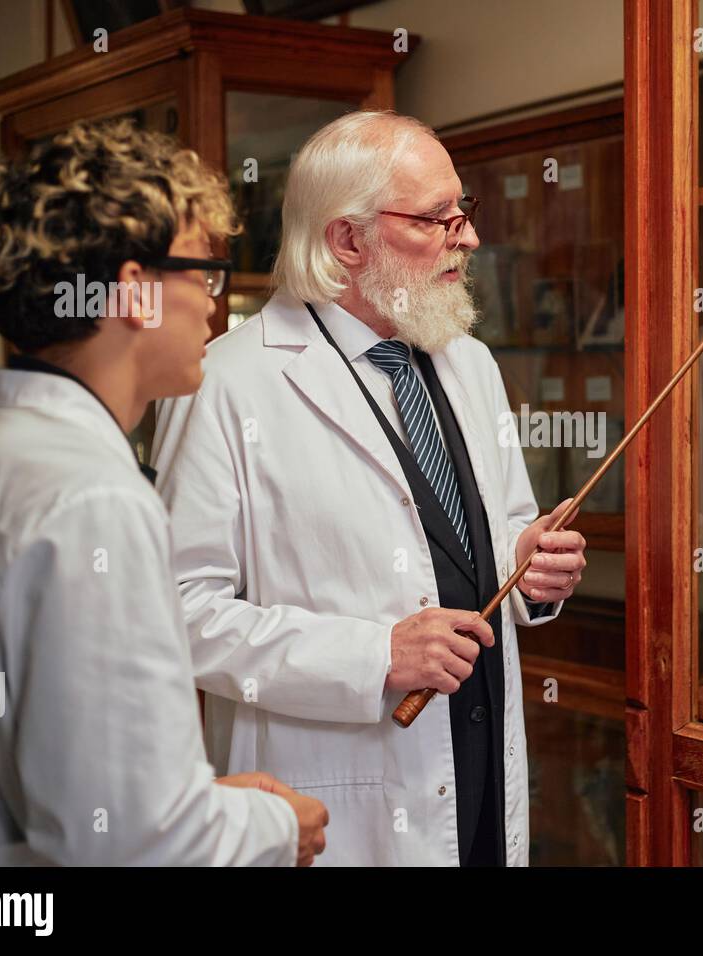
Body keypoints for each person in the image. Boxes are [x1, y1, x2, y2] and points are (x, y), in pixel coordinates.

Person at [151, 110, 588, 866]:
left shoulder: (469, 363)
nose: (469, 238)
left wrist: (531, 567)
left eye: (465, 212)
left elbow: (504, 529)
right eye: (435, 220)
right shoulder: (228, 383)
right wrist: (371, 656)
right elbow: (179, 612)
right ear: (346, 240)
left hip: (479, 762)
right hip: (346, 796)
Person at [0, 120, 328, 865]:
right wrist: (280, 827)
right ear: (136, 291)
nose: (214, 305)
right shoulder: (90, 500)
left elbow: (73, 781)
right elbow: (137, 842)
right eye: (202, 274)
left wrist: (202, 800)